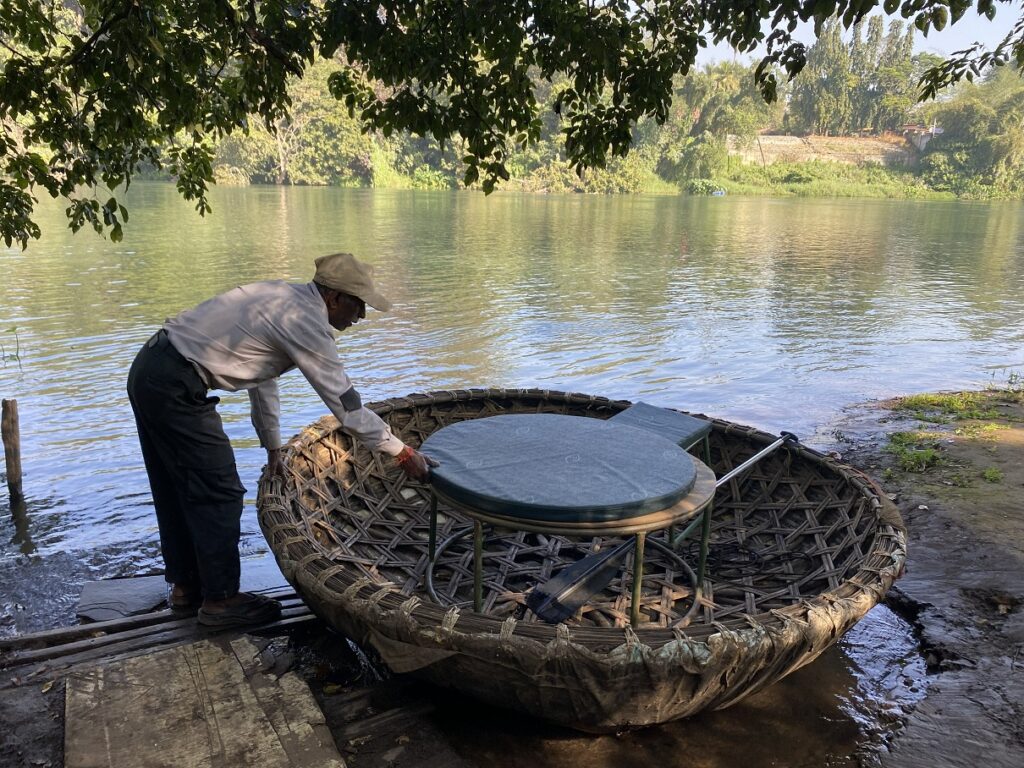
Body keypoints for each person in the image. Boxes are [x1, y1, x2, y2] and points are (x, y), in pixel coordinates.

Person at [127, 253, 436, 628]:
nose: (361, 317)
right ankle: (221, 601)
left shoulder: (282, 298)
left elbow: (261, 375)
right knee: (219, 489)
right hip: (175, 382)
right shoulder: (307, 321)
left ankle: (185, 588)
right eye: (358, 305)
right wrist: (401, 452)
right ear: (334, 298)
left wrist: (272, 443)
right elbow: (347, 406)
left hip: (152, 368)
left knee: (176, 485)